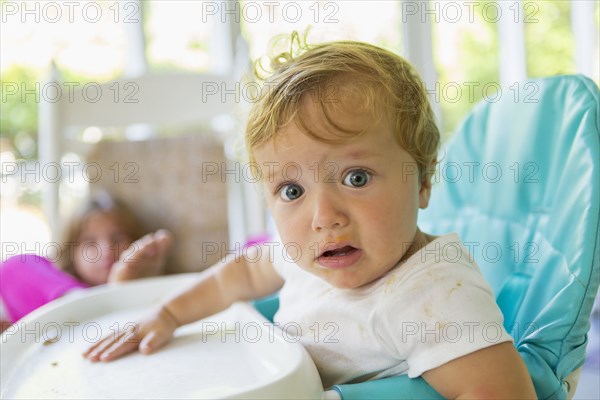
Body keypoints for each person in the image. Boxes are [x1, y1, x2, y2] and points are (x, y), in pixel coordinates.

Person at [84, 36, 536, 398]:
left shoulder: (431, 296)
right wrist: (166, 315)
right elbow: (236, 276)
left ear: (422, 180)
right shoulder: (311, 253)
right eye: (292, 190)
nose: (323, 217)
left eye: (357, 178)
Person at [0, 192, 172, 330]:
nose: (106, 251)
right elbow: (10, 271)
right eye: (90, 242)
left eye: (117, 238)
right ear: (72, 252)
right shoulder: (32, 266)